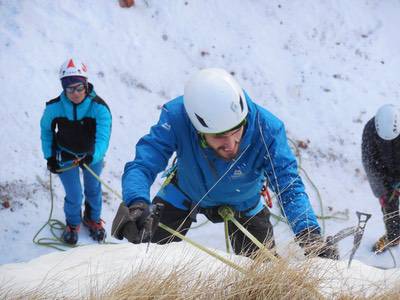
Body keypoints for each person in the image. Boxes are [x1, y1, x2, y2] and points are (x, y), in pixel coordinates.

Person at [112, 68, 337, 258]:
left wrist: (309, 235)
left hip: (244, 201)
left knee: (263, 279)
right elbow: (144, 164)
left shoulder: (267, 128)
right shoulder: (178, 117)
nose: (231, 144)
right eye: (219, 136)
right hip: (186, 192)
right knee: (145, 259)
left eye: (236, 131)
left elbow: (289, 186)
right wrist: (137, 203)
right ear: (198, 130)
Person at [40, 58, 112, 245]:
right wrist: (50, 157)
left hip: (91, 156)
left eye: (79, 87)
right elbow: (46, 132)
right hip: (65, 155)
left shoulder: (99, 108)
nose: (75, 93)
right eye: (69, 89)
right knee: (74, 194)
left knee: (93, 190)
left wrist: (93, 156)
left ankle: (93, 219)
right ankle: (72, 224)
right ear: (63, 88)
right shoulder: (54, 108)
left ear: (86, 85)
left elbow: (103, 138)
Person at [362, 104, 400, 253]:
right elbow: (370, 163)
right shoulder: (370, 131)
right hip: (385, 174)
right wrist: (382, 190)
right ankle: (394, 235)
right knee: (389, 205)